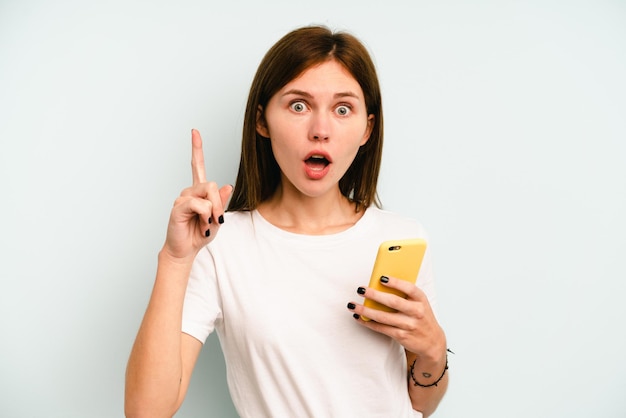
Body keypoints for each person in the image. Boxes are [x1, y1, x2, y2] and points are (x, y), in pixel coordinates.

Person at [125, 25, 448, 418]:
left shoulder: (401, 237)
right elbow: (146, 411)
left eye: (342, 109)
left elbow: (421, 403)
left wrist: (432, 350)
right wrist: (176, 260)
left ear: (367, 128)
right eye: (298, 106)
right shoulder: (220, 245)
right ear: (262, 121)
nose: (320, 130)